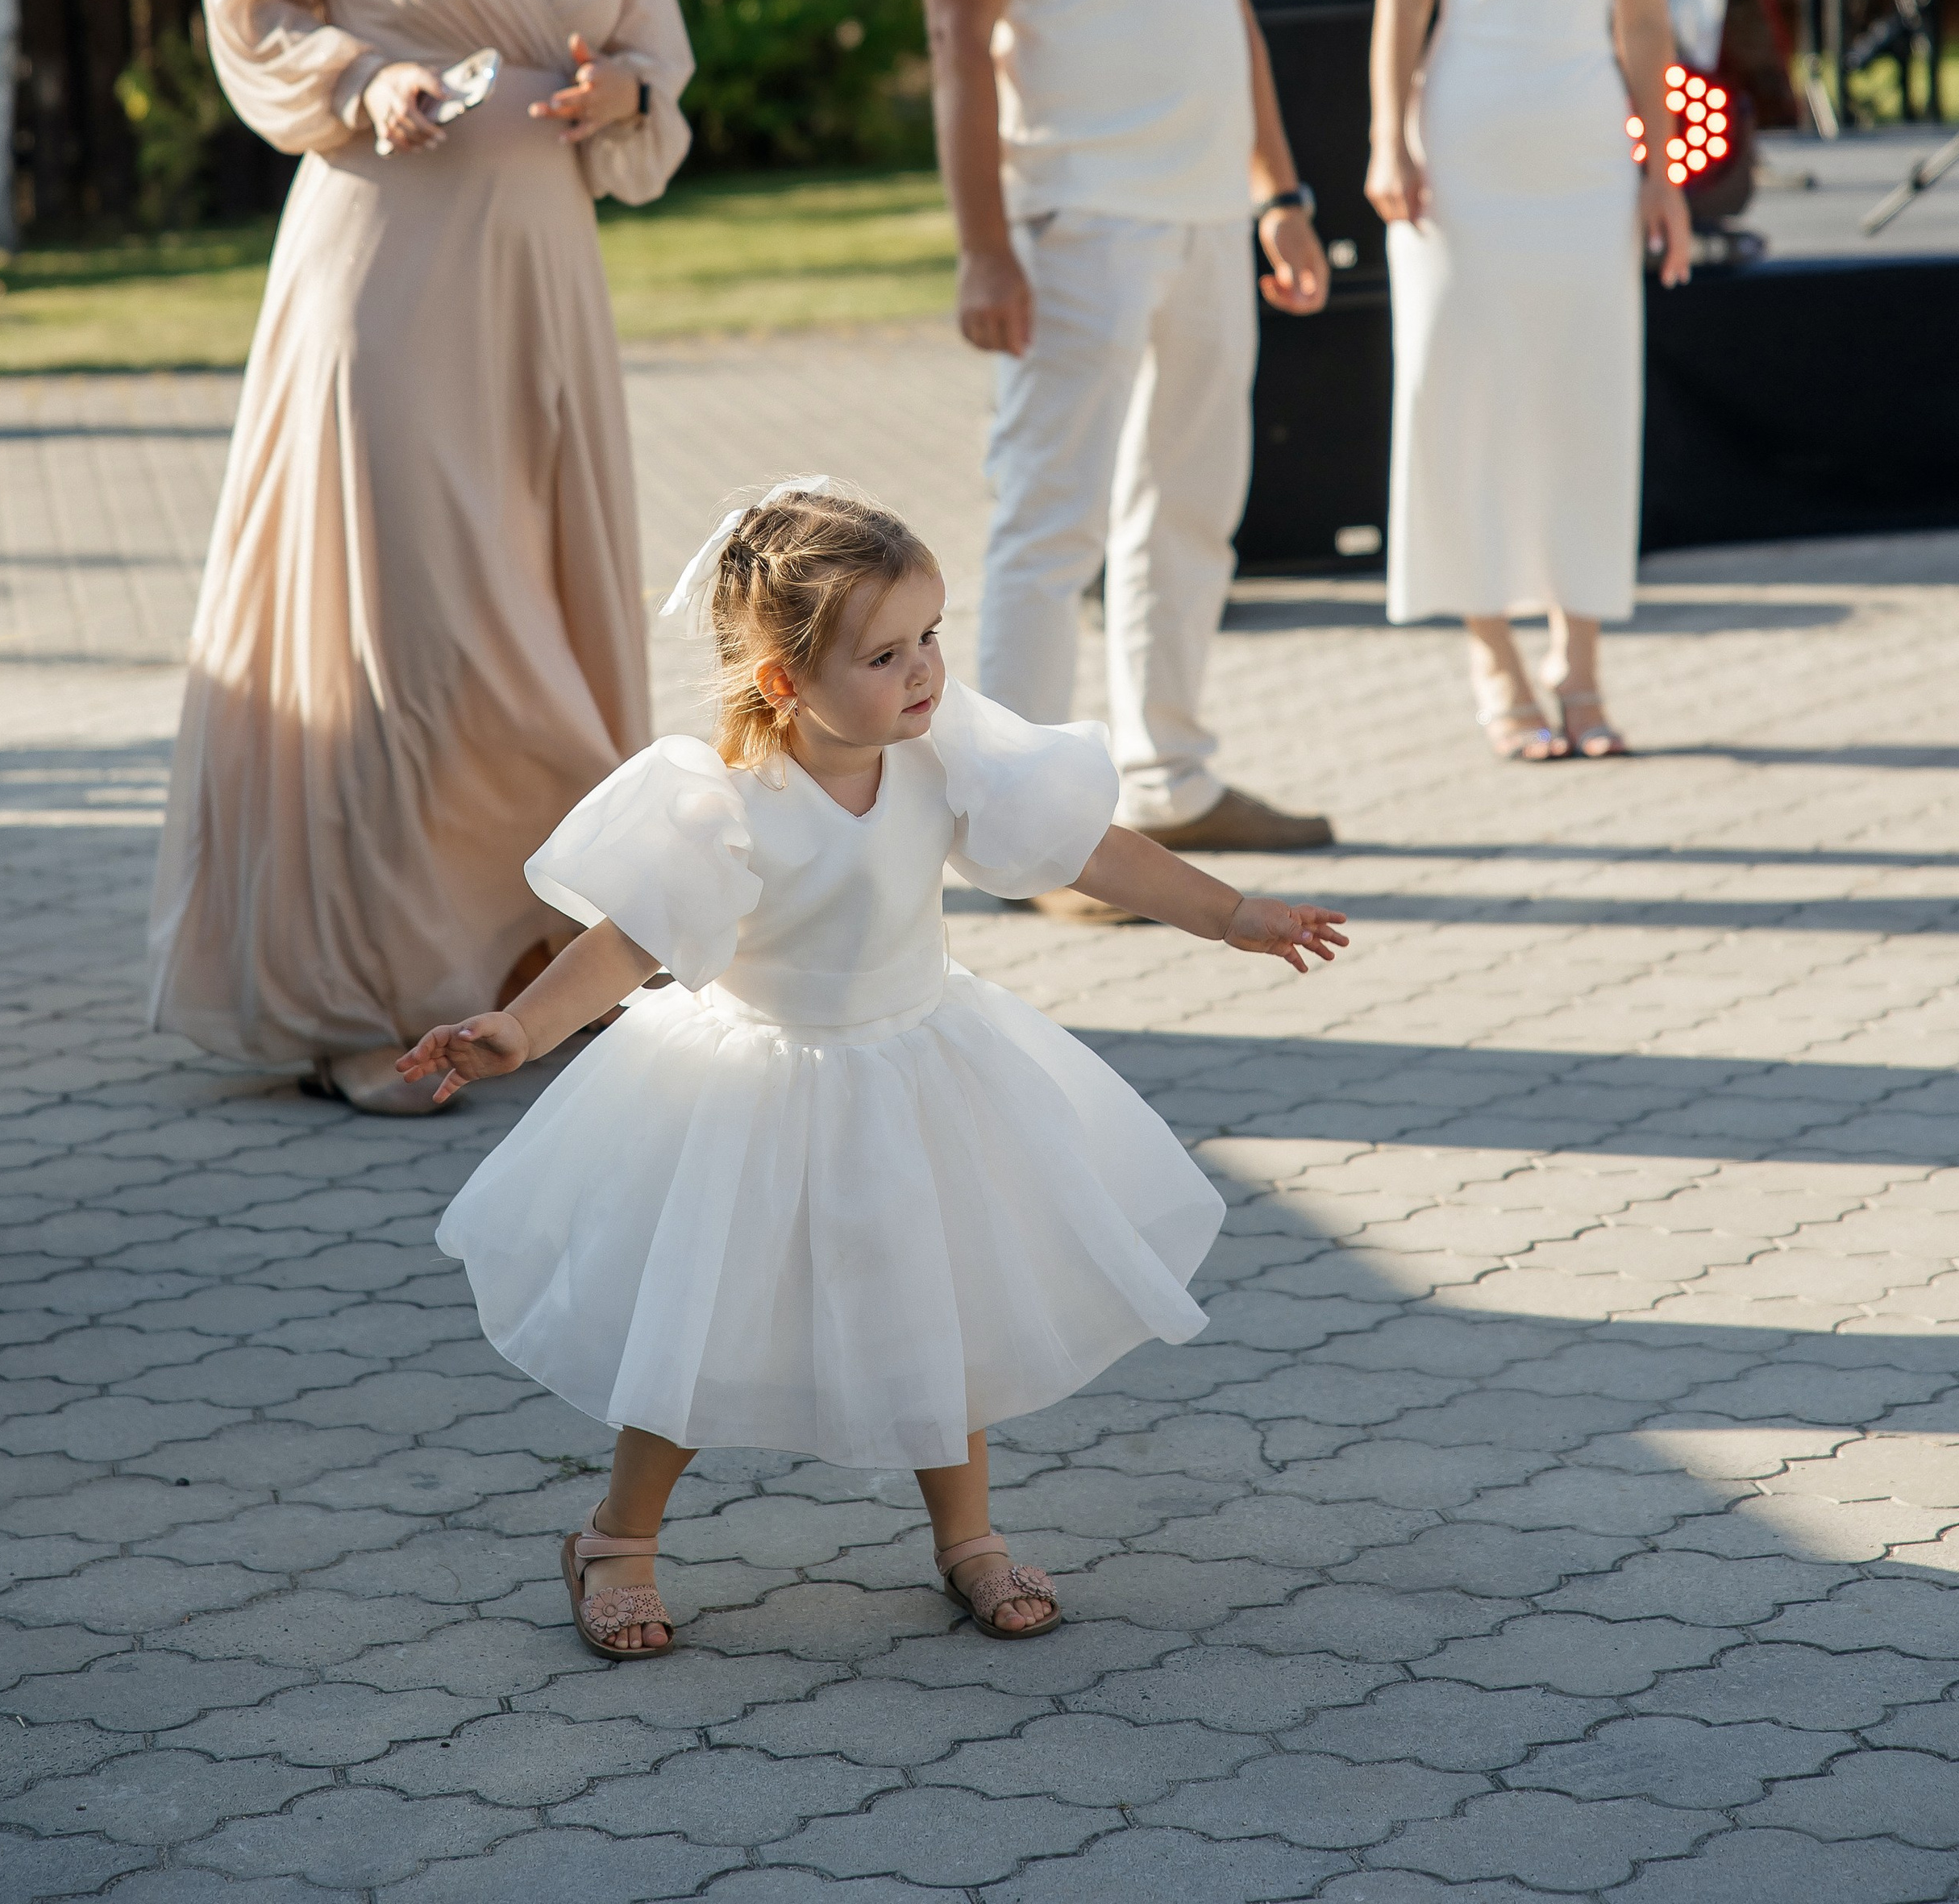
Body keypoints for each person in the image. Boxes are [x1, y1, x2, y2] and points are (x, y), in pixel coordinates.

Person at [405, 480, 1348, 1655]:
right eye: (886, 654)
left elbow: (1088, 850)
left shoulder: (941, 760)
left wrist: (1231, 913)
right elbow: (631, 939)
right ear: (784, 683)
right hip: (757, 1094)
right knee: (703, 1323)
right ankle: (617, 1536)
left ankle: (967, 1538)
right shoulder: (728, 806)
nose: (923, 673)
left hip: (915, 1073)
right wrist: (524, 1030)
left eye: (932, 639)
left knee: (932, 1304)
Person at [149, 0, 694, 1110]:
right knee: (413, 616)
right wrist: (362, 79)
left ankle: (520, 964)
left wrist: (620, 93)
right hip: (384, 255)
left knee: (533, 596)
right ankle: (378, 989)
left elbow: (661, 57)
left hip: (539, 266)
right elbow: (250, 4)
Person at [910, 0, 1336, 893]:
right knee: (1052, 528)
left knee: (1193, 510)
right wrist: (985, 245)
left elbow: (1225, 10)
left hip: (1214, 212)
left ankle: (1176, 780)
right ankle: (1023, 839)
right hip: (1074, 219)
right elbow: (954, 41)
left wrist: (1281, 191)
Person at [1366, 0, 1693, 761]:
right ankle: (1493, 658)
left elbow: (1646, 20)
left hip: (1586, 153)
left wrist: (1666, 171)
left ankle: (1583, 664)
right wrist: (1384, 138)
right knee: (1460, 391)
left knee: (1585, 399)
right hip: (1459, 142)